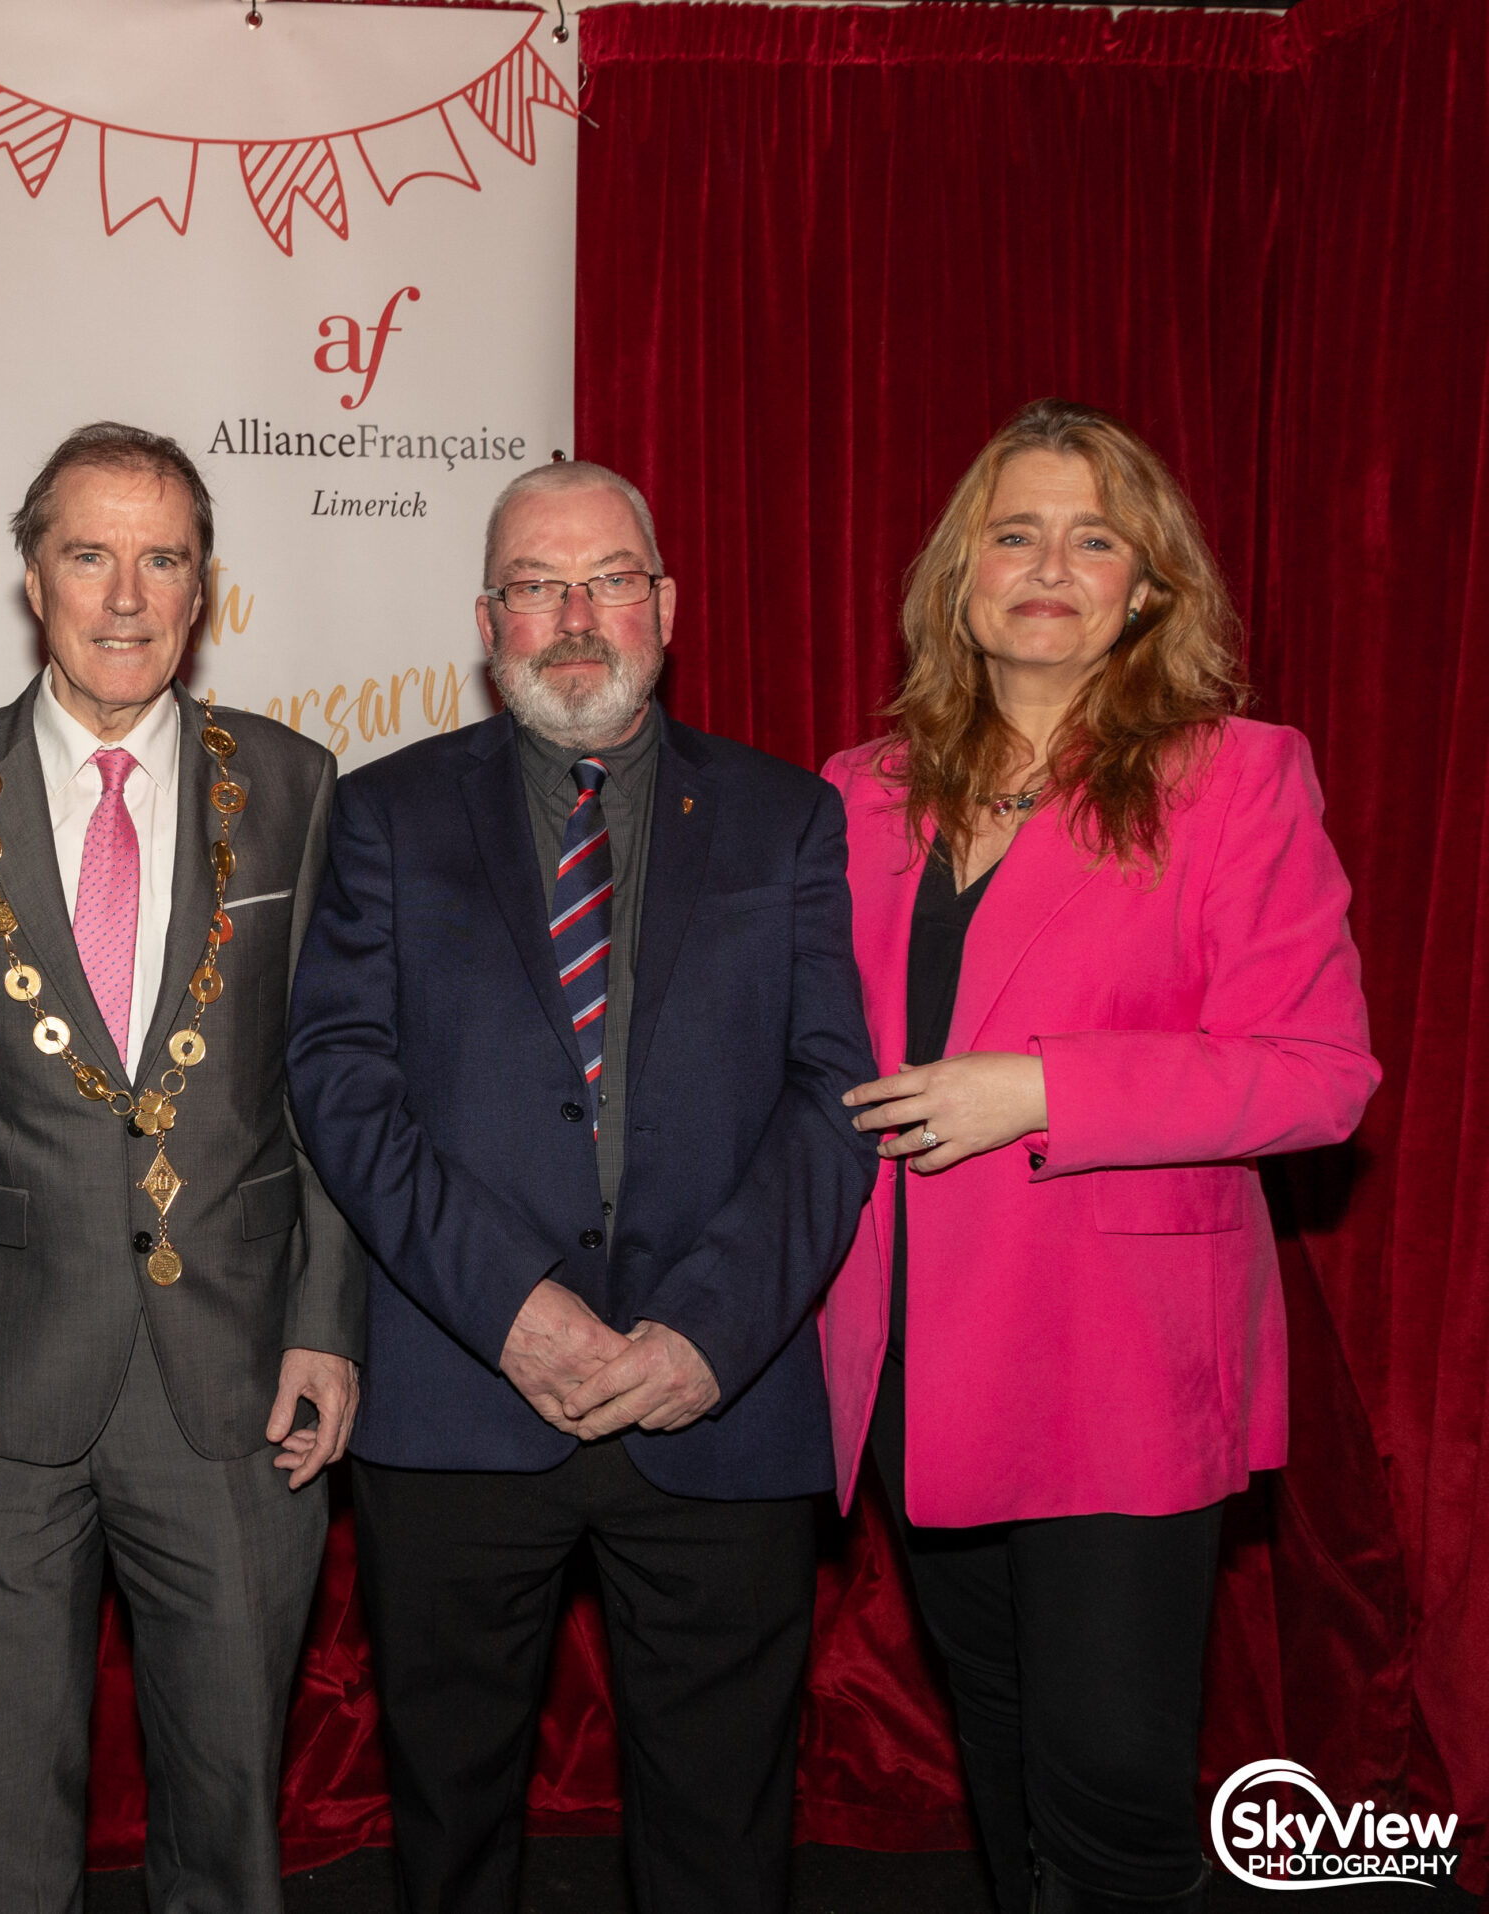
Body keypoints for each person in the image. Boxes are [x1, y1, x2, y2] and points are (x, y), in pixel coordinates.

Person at [287, 460, 876, 1914]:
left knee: (722, 1837)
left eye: (606, 577)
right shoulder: (381, 816)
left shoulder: (790, 820)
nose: (573, 615)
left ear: (664, 605)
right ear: (487, 618)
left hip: (716, 1404)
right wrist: (514, 1309)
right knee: (451, 1825)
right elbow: (342, 1086)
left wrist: (709, 1333)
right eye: (536, 584)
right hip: (463, 1393)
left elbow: (832, 1100)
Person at [822, 400, 1379, 1914]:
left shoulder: (1235, 777)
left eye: (1092, 536)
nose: (1048, 565)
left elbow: (1320, 1076)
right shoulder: (857, 792)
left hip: (1117, 1366)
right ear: (961, 576)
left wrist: (1043, 1088)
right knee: (998, 1759)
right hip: (914, 1361)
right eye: (1014, 532)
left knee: (1114, 1795)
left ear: (1148, 584)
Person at [0, 422, 364, 1914]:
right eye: (91, 554)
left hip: (234, 1372)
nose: (127, 595)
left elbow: (327, 1087)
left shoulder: (294, 781)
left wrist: (328, 1320)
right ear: (33, 577)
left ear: (203, 590)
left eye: (164, 560)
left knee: (230, 1823)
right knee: (2, 1828)